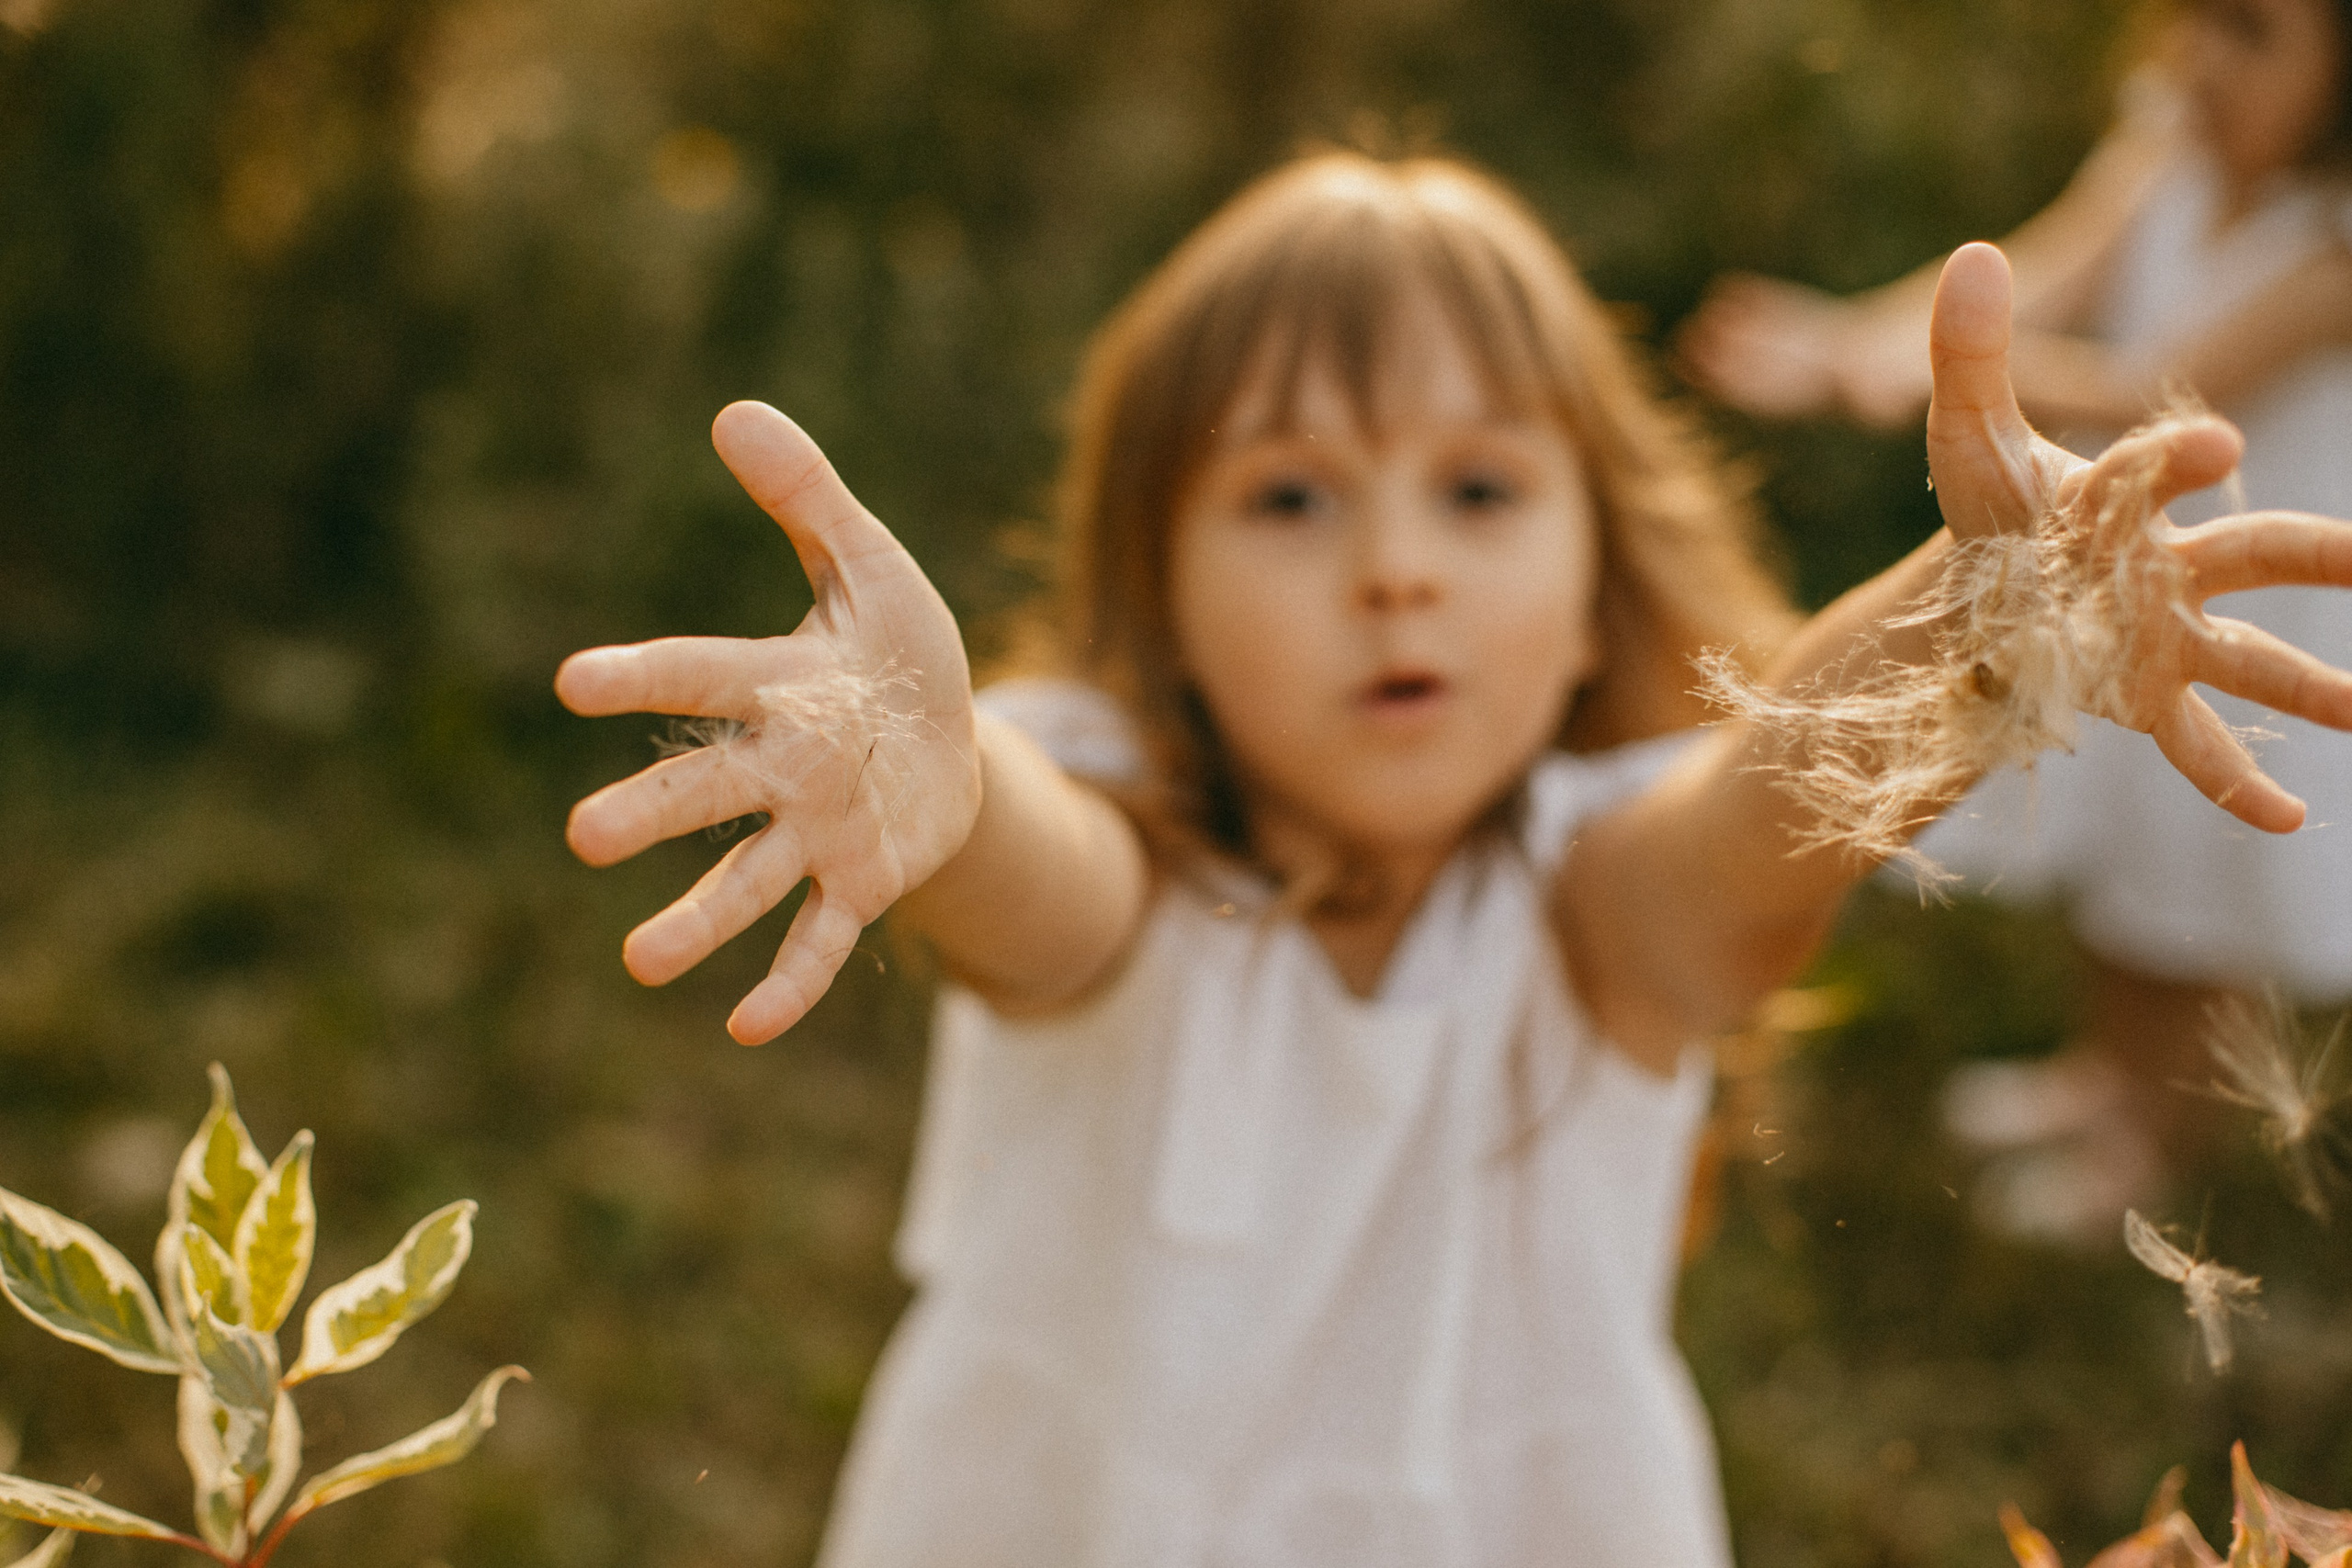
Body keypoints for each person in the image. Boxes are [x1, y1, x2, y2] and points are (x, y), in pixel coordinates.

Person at [555, 153, 2352, 1566]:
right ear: (1156, 587)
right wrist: (939, 787)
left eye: (1477, 490)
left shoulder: (1597, 908)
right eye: (1288, 495)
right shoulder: (1111, 833)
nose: (1393, 566)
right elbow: (1053, 887)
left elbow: (1760, 810)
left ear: (1590, 588)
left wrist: (1969, 643)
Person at [1679, 0, 2352, 1242]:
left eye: (2251, 32)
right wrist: (1858, 337)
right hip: (2129, 561)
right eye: (2195, 15)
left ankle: (2148, 1134)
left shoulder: (2338, 247)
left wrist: (1879, 372)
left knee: (2194, 869)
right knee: (2130, 833)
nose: (2200, 54)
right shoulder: (2172, 142)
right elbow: (2047, 273)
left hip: (2260, 586)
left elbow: (2150, 386)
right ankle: (2101, 1076)